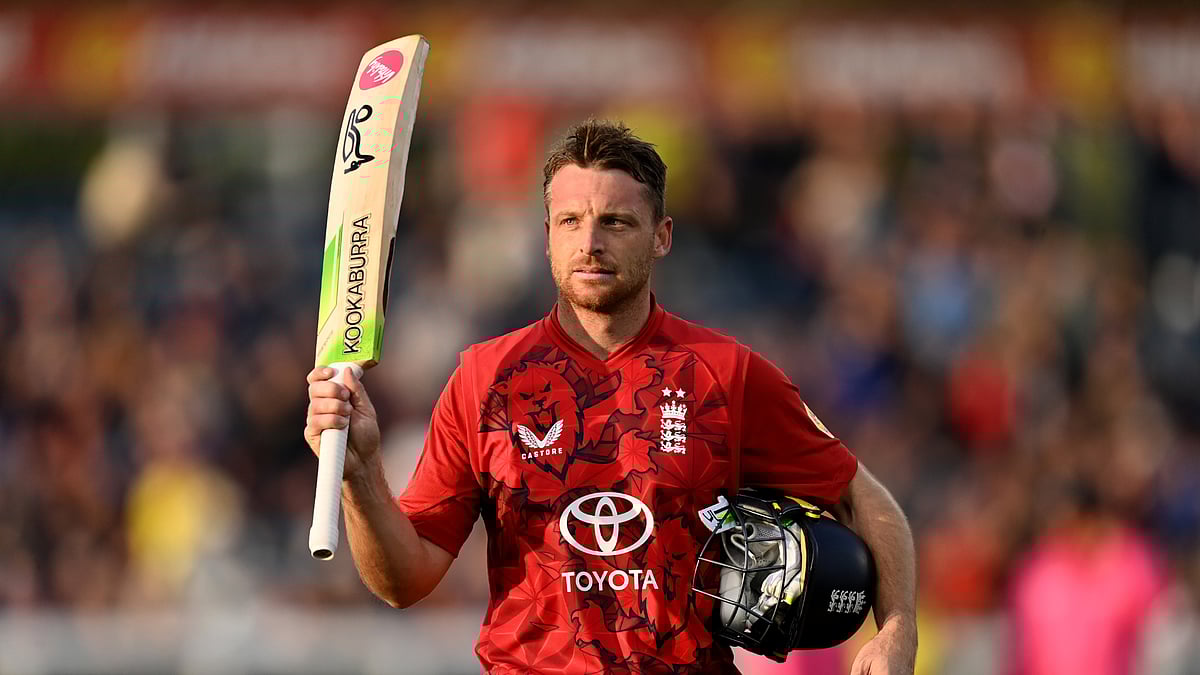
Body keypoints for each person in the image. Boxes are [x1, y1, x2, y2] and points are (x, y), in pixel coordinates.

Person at [304, 120, 917, 674]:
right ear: (547, 237)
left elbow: (861, 496)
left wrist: (897, 629)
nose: (590, 242)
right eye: (570, 221)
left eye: (616, 222)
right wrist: (361, 474)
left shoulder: (725, 372)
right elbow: (404, 580)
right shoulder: (484, 377)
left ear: (661, 236)